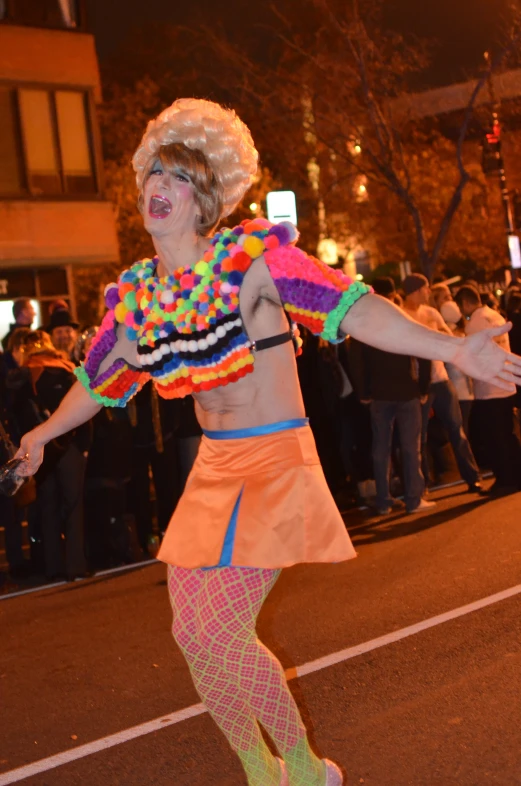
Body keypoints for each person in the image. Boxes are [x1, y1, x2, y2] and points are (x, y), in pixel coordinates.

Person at [15, 99, 521, 786]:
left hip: (276, 458)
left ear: (207, 199)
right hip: (215, 470)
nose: (159, 185)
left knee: (215, 631)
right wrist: (42, 433)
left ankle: (297, 769)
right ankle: (272, 770)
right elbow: (100, 378)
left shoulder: (251, 263)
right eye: (152, 175)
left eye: (180, 177)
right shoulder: (138, 298)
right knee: (193, 636)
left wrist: (451, 350)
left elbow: (353, 305)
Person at [350, 277, 432, 515]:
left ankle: (384, 501)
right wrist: (424, 387)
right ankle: (413, 499)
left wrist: (363, 392)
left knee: (381, 449)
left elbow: (356, 362)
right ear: (393, 293)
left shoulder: (363, 324)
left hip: (379, 394)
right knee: (410, 447)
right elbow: (423, 351)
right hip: (407, 391)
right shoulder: (401, 317)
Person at [402, 274, 481, 492]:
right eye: (426, 288)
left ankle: (472, 477)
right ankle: (423, 485)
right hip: (418, 383)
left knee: (457, 430)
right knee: (421, 436)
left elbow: (449, 338)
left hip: (441, 379)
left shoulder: (431, 313)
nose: (429, 292)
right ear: (417, 290)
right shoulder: (403, 316)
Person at [455, 285, 521, 496]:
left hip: (489, 387)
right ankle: (515, 476)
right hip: (506, 382)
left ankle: (504, 480)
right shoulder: (495, 315)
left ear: (465, 303)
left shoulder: (474, 323)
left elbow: (469, 356)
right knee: (508, 434)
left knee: (494, 437)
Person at [431, 284, 474, 436]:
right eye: (445, 297)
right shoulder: (436, 325)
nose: (450, 301)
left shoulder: (460, 324)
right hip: (452, 388)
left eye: (450, 296)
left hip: (467, 389)